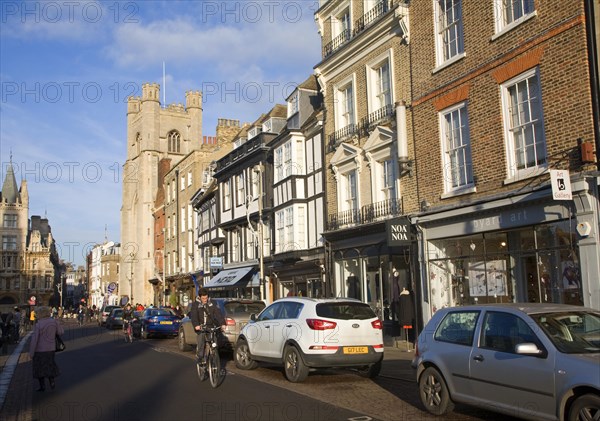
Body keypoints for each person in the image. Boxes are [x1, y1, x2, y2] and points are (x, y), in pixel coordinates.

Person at [29, 306, 64, 391]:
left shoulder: (39, 324)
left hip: (39, 350)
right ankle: (51, 381)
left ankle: (42, 386)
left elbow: (35, 340)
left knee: (39, 367)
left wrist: (31, 352)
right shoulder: (54, 322)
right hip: (51, 348)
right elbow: (61, 332)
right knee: (49, 364)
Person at [190, 288, 226, 365]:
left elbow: (218, 313)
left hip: (211, 326)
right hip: (201, 326)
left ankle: (214, 355)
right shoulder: (195, 304)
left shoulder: (212, 303)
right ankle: (200, 356)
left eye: (206, 298)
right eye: (203, 298)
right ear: (199, 297)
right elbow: (194, 316)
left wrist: (222, 323)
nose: (205, 300)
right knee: (201, 338)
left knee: (214, 341)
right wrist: (196, 325)